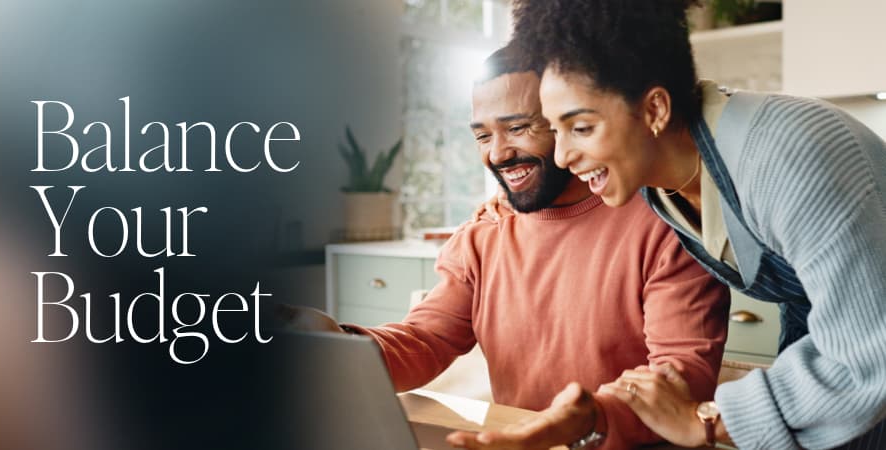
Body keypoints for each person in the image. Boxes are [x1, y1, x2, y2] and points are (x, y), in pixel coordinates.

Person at [465, 1, 886, 449]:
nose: (563, 156)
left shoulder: (787, 156)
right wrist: (513, 201)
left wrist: (703, 422)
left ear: (655, 110)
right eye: (555, 130)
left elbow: (867, 355)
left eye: (581, 128)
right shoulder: (662, 182)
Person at [284, 46, 730, 450]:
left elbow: (682, 375)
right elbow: (426, 339)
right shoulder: (484, 234)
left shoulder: (669, 224)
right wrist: (337, 341)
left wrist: (581, 421)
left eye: (518, 128)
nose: (498, 154)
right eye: (482, 136)